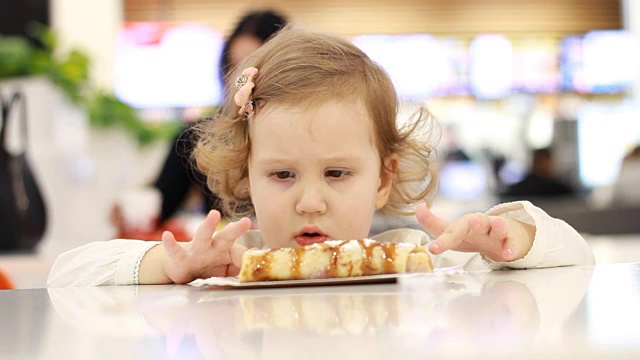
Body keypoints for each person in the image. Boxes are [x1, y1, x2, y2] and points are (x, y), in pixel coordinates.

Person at [48, 26, 594, 287]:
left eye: (337, 173)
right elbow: (67, 275)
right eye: (282, 174)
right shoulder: (225, 272)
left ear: (383, 179)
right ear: (243, 178)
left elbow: (577, 258)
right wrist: (170, 266)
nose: (310, 200)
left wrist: (513, 237)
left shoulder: (424, 259)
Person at [111, 10, 289, 236]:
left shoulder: (308, 133)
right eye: (233, 67)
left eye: (252, 69)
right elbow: (159, 205)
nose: (240, 81)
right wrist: (132, 212)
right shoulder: (198, 136)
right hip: (226, 256)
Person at [501, 147, 576, 199]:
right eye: (539, 161)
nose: (542, 165)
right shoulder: (520, 189)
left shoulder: (560, 188)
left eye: (545, 161)